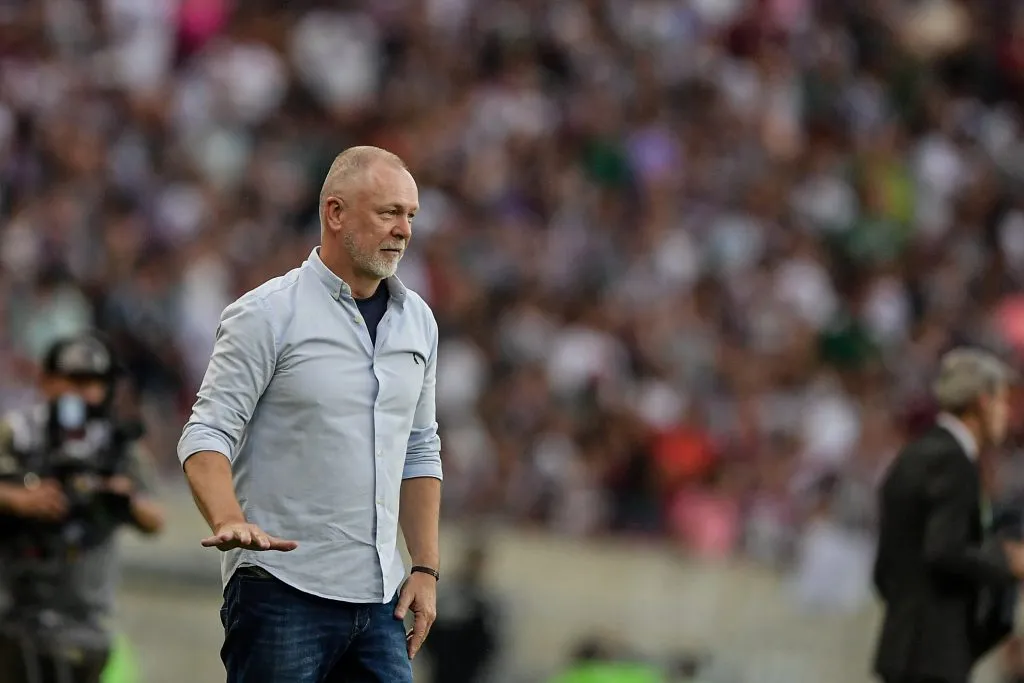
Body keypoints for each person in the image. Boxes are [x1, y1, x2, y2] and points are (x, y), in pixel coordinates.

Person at [178, 145, 442, 683]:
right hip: (282, 590)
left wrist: (424, 568)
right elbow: (207, 430)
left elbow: (420, 448)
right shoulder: (266, 315)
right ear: (335, 213)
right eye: (388, 212)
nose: (404, 230)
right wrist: (228, 516)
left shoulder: (419, 322)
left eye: (410, 215)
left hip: (380, 597)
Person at [0, 332, 164, 683]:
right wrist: (21, 499)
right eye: (74, 381)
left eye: (95, 383)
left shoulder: (118, 445)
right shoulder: (18, 433)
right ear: (46, 381)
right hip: (13, 612)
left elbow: (154, 518)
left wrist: (121, 499)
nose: (84, 393)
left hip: (88, 618)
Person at [873, 348, 1024, 683]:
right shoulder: (954, 463)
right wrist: (1007, 560)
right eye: (1002, 402)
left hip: (905, 648)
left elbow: (885, 570)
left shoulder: (913, 456)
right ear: (981, 403)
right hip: (934, 657)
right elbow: (944, 548)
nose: (1006, 414)